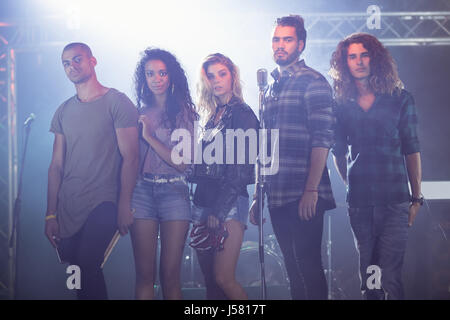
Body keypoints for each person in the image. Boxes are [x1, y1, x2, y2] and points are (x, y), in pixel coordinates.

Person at [329, 33, 422, 300]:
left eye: (364, 55)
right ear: (344, 63)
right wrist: (352, 186)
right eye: (352, 56)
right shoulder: (340, 105)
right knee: (370, 275)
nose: (359, 62)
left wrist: (416, 198)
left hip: (394, 200)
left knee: (390, 274)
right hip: (360, 202)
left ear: (375, 58)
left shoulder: (401, 99)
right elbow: (337, 152)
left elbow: (412, 149)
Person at [249, 15, 336, 300]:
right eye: (276, 39)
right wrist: (257, 195)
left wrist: (311, 189)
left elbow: (323, 138)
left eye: (287, 40)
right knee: (292, 269)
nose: (280, 45)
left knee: (308, 266)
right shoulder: (271, 87)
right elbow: (265, 144)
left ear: (301, 44)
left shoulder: (314, 81)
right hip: (277, 191)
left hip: (304, 190)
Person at [44, 42, 139, 299]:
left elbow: (131, 157)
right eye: (66, 63)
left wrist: (124, 204)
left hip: (104, 200)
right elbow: (56, 166)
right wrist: (50, 215)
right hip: (69, 205)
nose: (71, 66)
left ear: (92, 61)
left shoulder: (116, 102)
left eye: (77, 59)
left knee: (87, 263)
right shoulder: (63, 111)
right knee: (75, 271)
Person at [190, 53, 259, 300]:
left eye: (222, 74)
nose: (216, 80)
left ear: (233, 76)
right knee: (210, 283)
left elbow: (241, 169)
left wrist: (219, 211)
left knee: (223, 278)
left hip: (228, 202)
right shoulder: (210, 115)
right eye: (211, 75)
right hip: (202, 201)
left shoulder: (242, 113)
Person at [130, 48, 197, 300]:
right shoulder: (137, 112)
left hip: (174, 193)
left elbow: (182, 163)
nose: (156, 78)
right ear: (144, 79)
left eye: (162, 73)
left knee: (170, 276)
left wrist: (149, 136)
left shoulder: (185, 113)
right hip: (141, 192)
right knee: (144, 276)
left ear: (171, 76)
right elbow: (131, 160)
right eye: (150, 74)